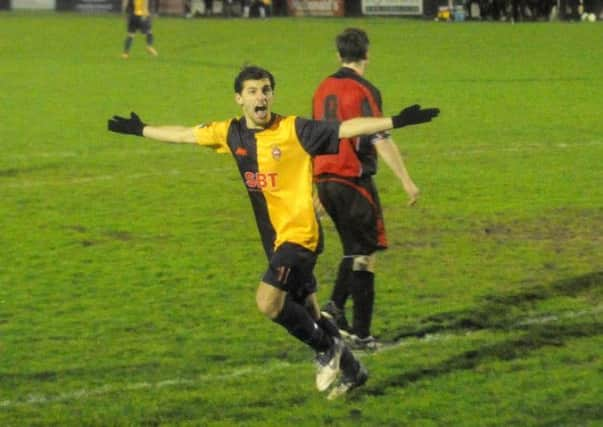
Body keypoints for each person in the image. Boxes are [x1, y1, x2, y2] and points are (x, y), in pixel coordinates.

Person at [107, 65, 438, 398]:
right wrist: (141, 129)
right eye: (252, 91)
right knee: (308, 312)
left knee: (268, 302)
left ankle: (327, 351)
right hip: (275, 240)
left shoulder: (294, 130)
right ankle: (354, 370)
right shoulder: (230, 133)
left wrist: (395, 121)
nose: (260, 97)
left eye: (265, 90)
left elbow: (345, 128)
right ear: (239, 99)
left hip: (301, 236)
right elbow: (184, 134)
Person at [313, 28, 433, 350]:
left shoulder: (322, 88)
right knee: (365, 255)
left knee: (354, 248)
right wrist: (406, 180)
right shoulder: (365, 90)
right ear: (367, 54)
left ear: (338, 55)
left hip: (325, 179)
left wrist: (316, 189)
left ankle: (334, 311)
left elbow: (316, 137)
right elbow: (379, 136)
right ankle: (360, 334)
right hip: (353, 180)